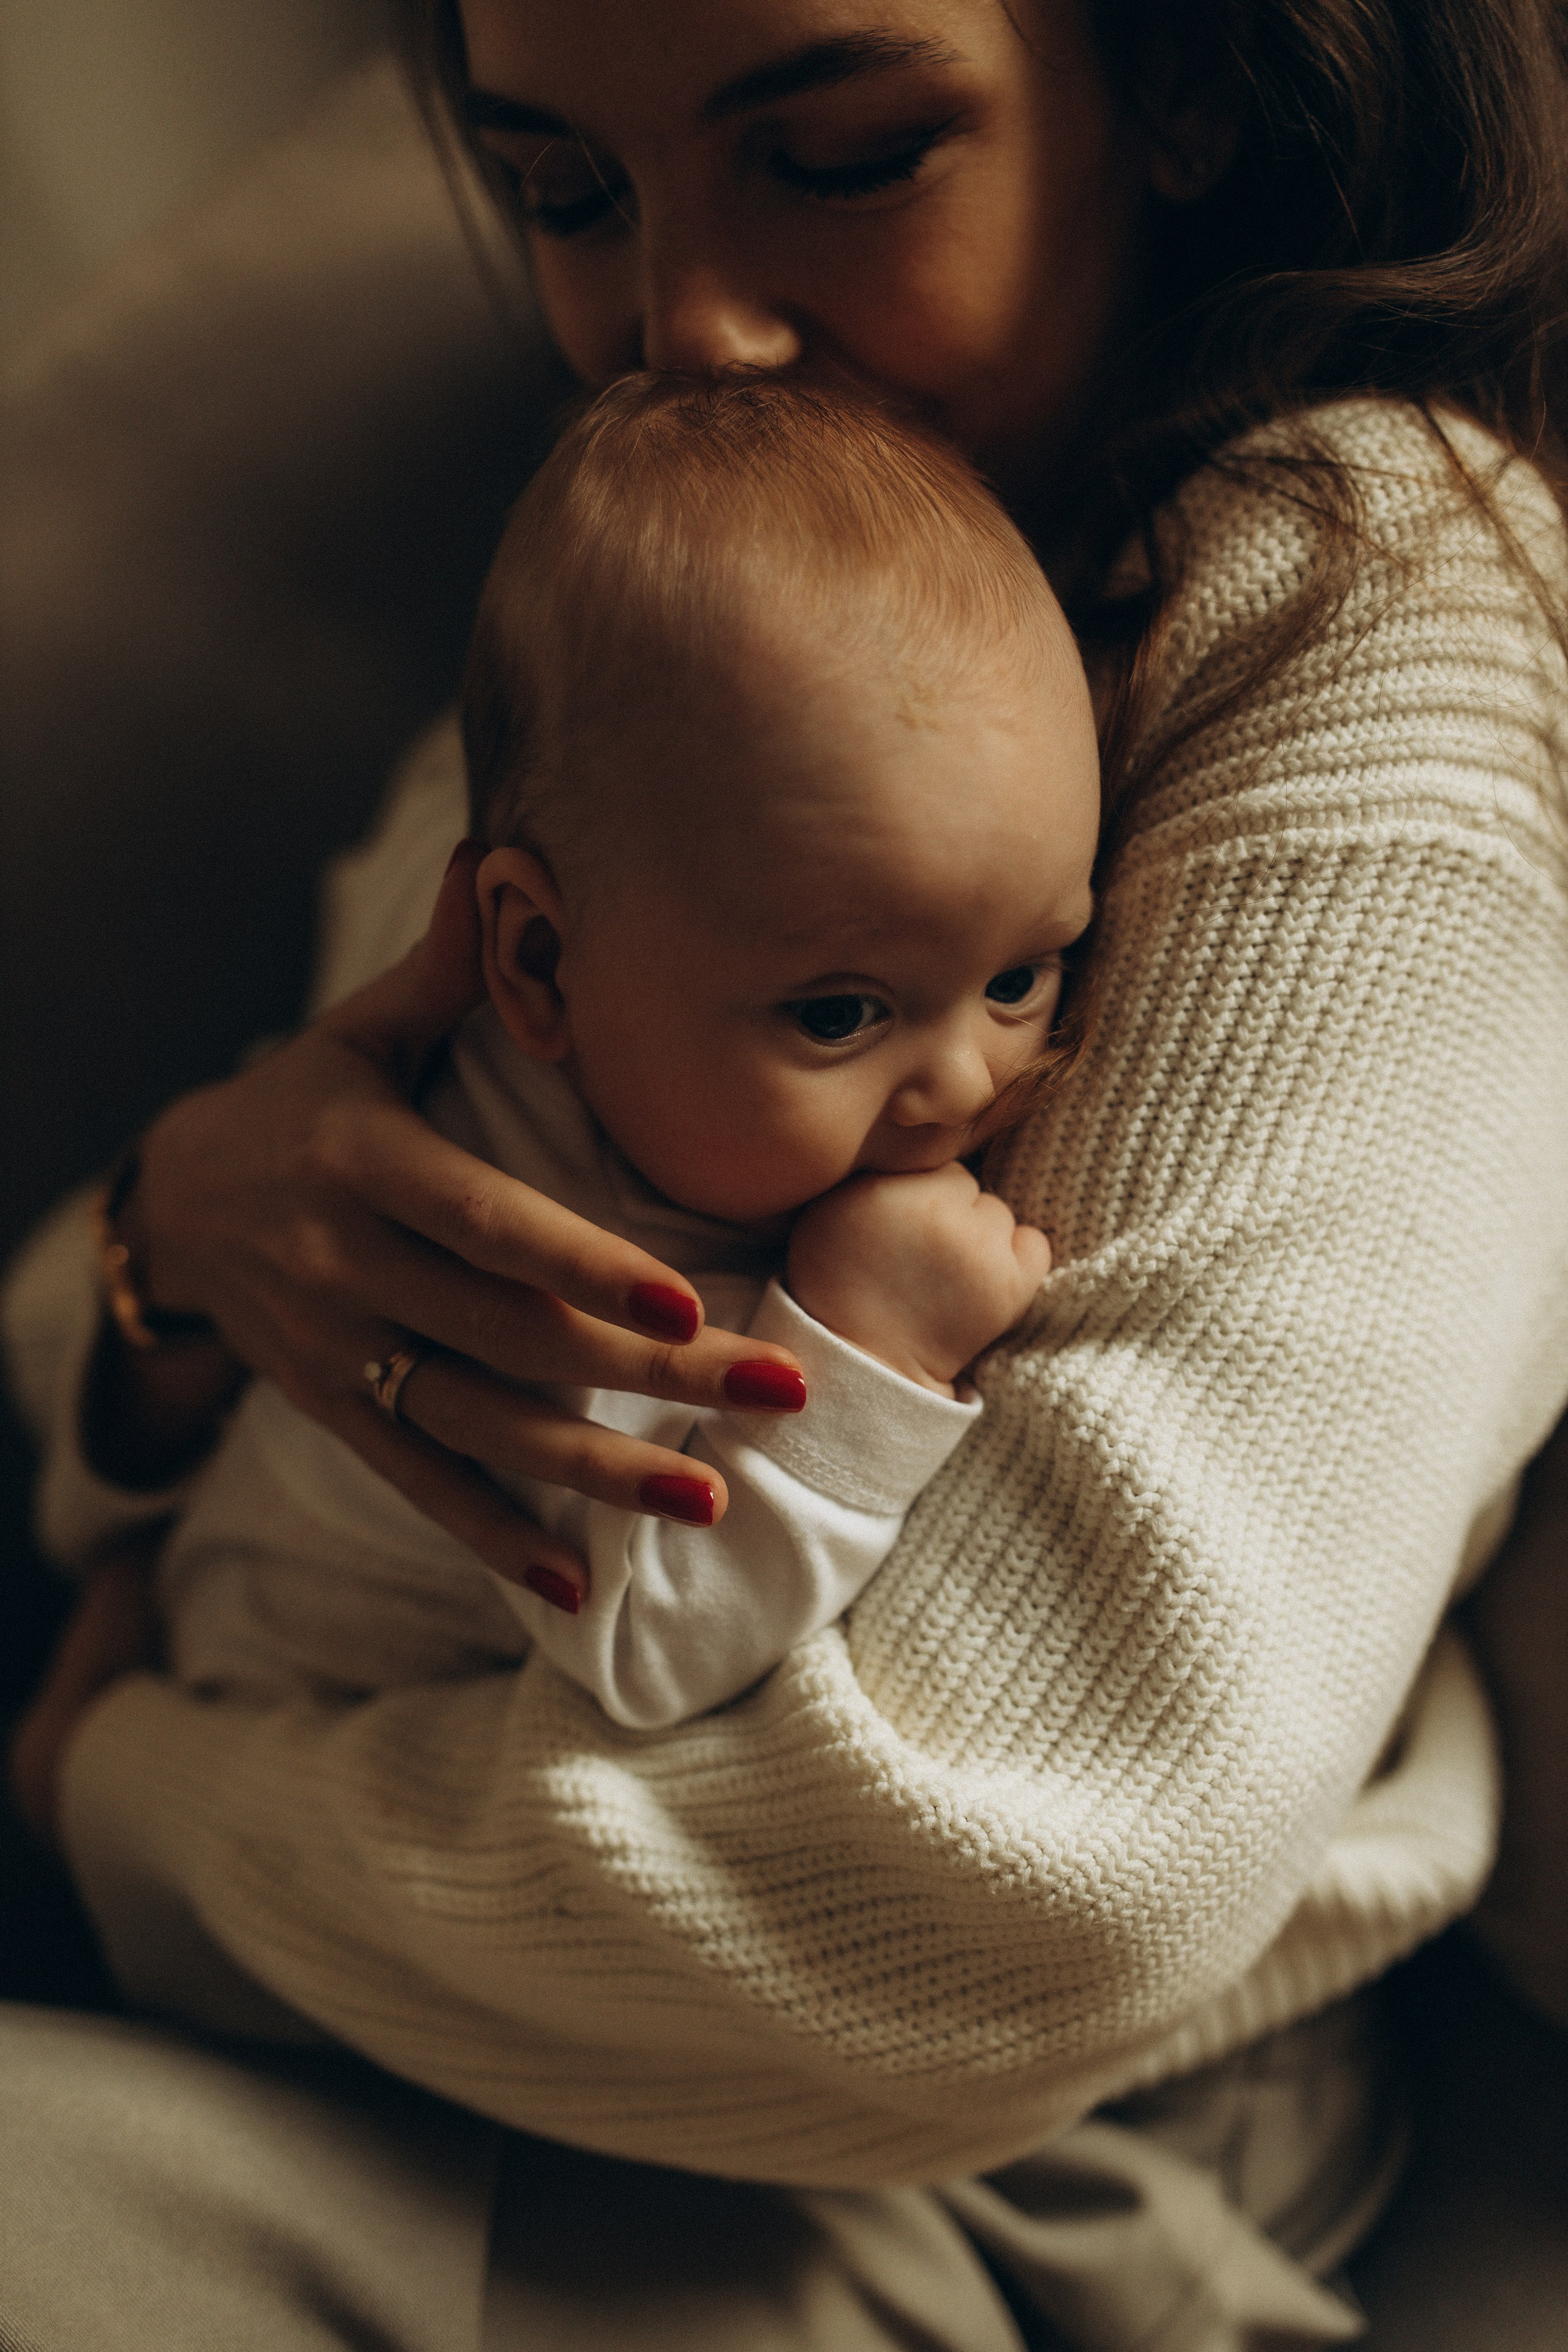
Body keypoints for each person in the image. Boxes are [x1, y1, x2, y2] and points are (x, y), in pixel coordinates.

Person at [4, 1, 1568, 2345]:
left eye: (839, 155)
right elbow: (98, 1347)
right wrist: (173, 1250)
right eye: (563, 191)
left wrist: (136, 1805)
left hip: (950, 2194)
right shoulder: (663, 569)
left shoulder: (1364, 608)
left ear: (1192, 79)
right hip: (388, 1965)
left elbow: (1003, 1895)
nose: (684, 325)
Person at [149, 370, 1090, 1736]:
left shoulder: (696, 994)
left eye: (1019, 976)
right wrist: (866, 1358)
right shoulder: (529, 1251)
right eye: (837, 1014)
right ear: (537, 967)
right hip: (281, 1711)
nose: (963, 1086)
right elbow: (649, 1647)